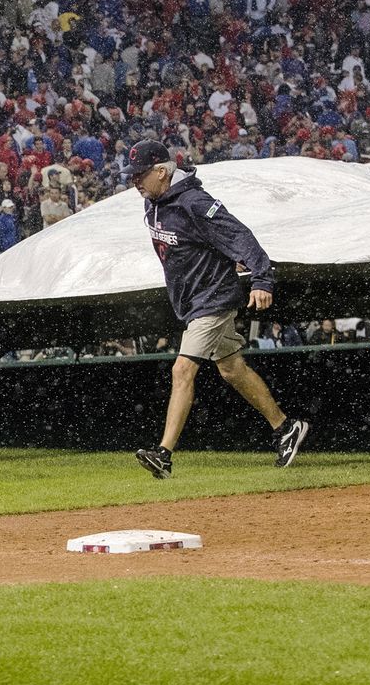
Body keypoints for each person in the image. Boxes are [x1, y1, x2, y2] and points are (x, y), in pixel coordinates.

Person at [126, 142, 309, 479]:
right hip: (193, 300)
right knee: (231, 368)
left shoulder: (195, 202)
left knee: (182, 370)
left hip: (212, 300)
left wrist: (262, 280)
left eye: (140, 175)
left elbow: (240, 235)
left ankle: (163, 455)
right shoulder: (154, 204)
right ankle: (286, 427)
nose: (134, 182)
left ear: (162, 172)